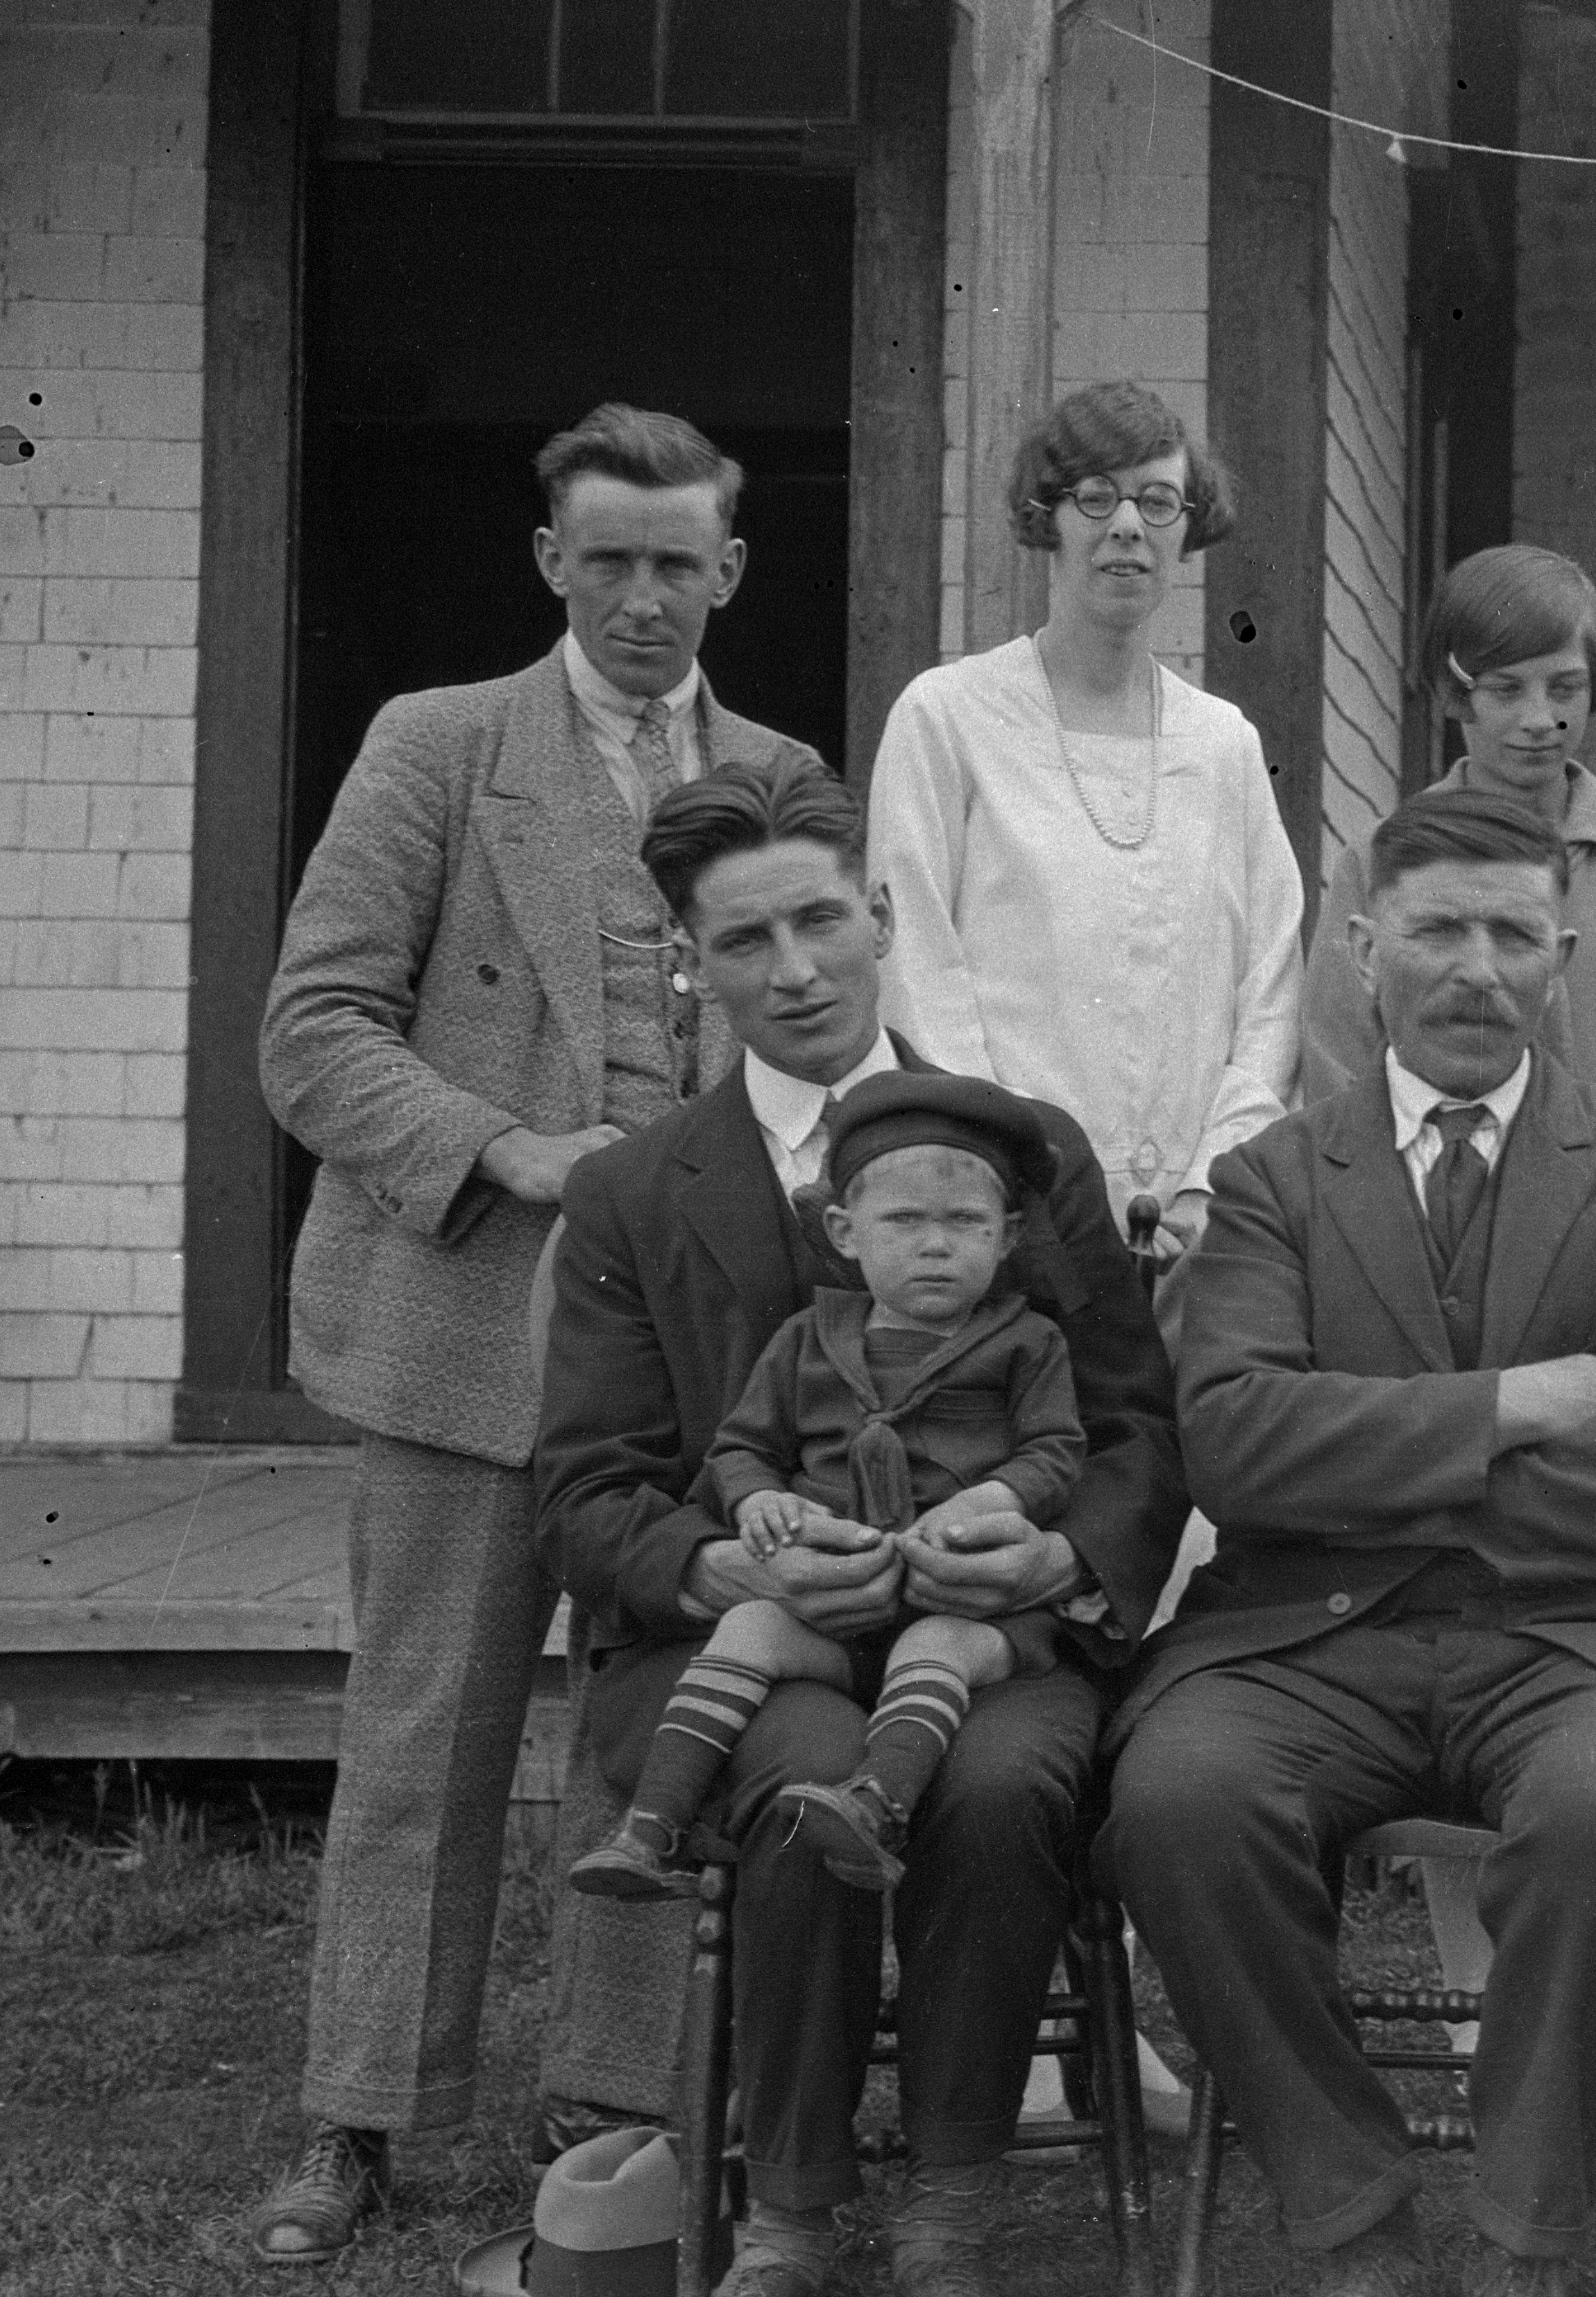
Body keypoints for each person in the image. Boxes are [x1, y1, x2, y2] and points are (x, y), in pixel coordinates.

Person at [248, 402, 815, 2263]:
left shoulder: (784, 770)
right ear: (549, 562)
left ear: (730, 571)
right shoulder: (439, 746)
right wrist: (506, 1144)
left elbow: (816, 1038)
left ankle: (618, 2097)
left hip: (688, 1360)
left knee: (655, 1721)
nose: (645, 597)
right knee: (425, 1725)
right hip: (466, 1317)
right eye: (610, 559)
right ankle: (361, 2115)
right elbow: (314, 1030)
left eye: (680, 562)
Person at [1099, 786, 1596, 2297]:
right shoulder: (1275, 1178)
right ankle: (1350, 2222)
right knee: (1182, 1796)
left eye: (1512, 932)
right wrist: (1516, 1402)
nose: (1476, 967)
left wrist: (1388, 1461)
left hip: (1589, 1636)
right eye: (1437, 929)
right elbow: (1239, 1443)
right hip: (1306, 1632)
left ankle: (1532, 2239)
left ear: (1564, 954)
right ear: (1362, 950)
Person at [541, 760, 1187, 2297]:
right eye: (745, 940)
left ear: (881, 912)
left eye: (823, 919)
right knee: (810, 1781)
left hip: (988, 1626)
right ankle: (793, 2207)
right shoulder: (635, 1193)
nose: (798, 970)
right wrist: (724, 1559)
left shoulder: (1024, 1152)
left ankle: (954, 2198)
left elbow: (1136, 1425)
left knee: (1000, 1775)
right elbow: (584, 1488)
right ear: (692, 960)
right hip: (741, 1644)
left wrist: (1059, 1553)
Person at [568, 1073, 1089, 1904]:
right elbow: (740, 1448)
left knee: (936, 1649)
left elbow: (1057, 1449)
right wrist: (757, 1501)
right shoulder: (808, 1339)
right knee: (745, 1625)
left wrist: (998, 1499)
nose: (936, 1245)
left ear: (1008, 1235)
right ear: (846, 1231)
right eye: (905, 1221)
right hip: (828, 1606)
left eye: (965, 1223)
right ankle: (650, 1830)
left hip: (964, 1605)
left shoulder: (1026, 1342)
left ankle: (874, 1807)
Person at [869, 380, 1303, 1313]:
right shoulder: (947, 717)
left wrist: (1208, 1185)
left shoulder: (1222, 742)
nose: (1126, 528)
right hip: (1013, 1222)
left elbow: (1270, 983)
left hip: (1191, 1238)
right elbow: (918, 971)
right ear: (1046, 518)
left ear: (1188, 527)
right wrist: (1016, 1177)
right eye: (1094, 499)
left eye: (1156, 501)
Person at [1300, 543, 1596, 1165]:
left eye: (1565, 689)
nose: (1540, 719)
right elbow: (1337, 1070)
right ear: (1456, 695)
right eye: (1505, 690)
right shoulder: (1377, 862)